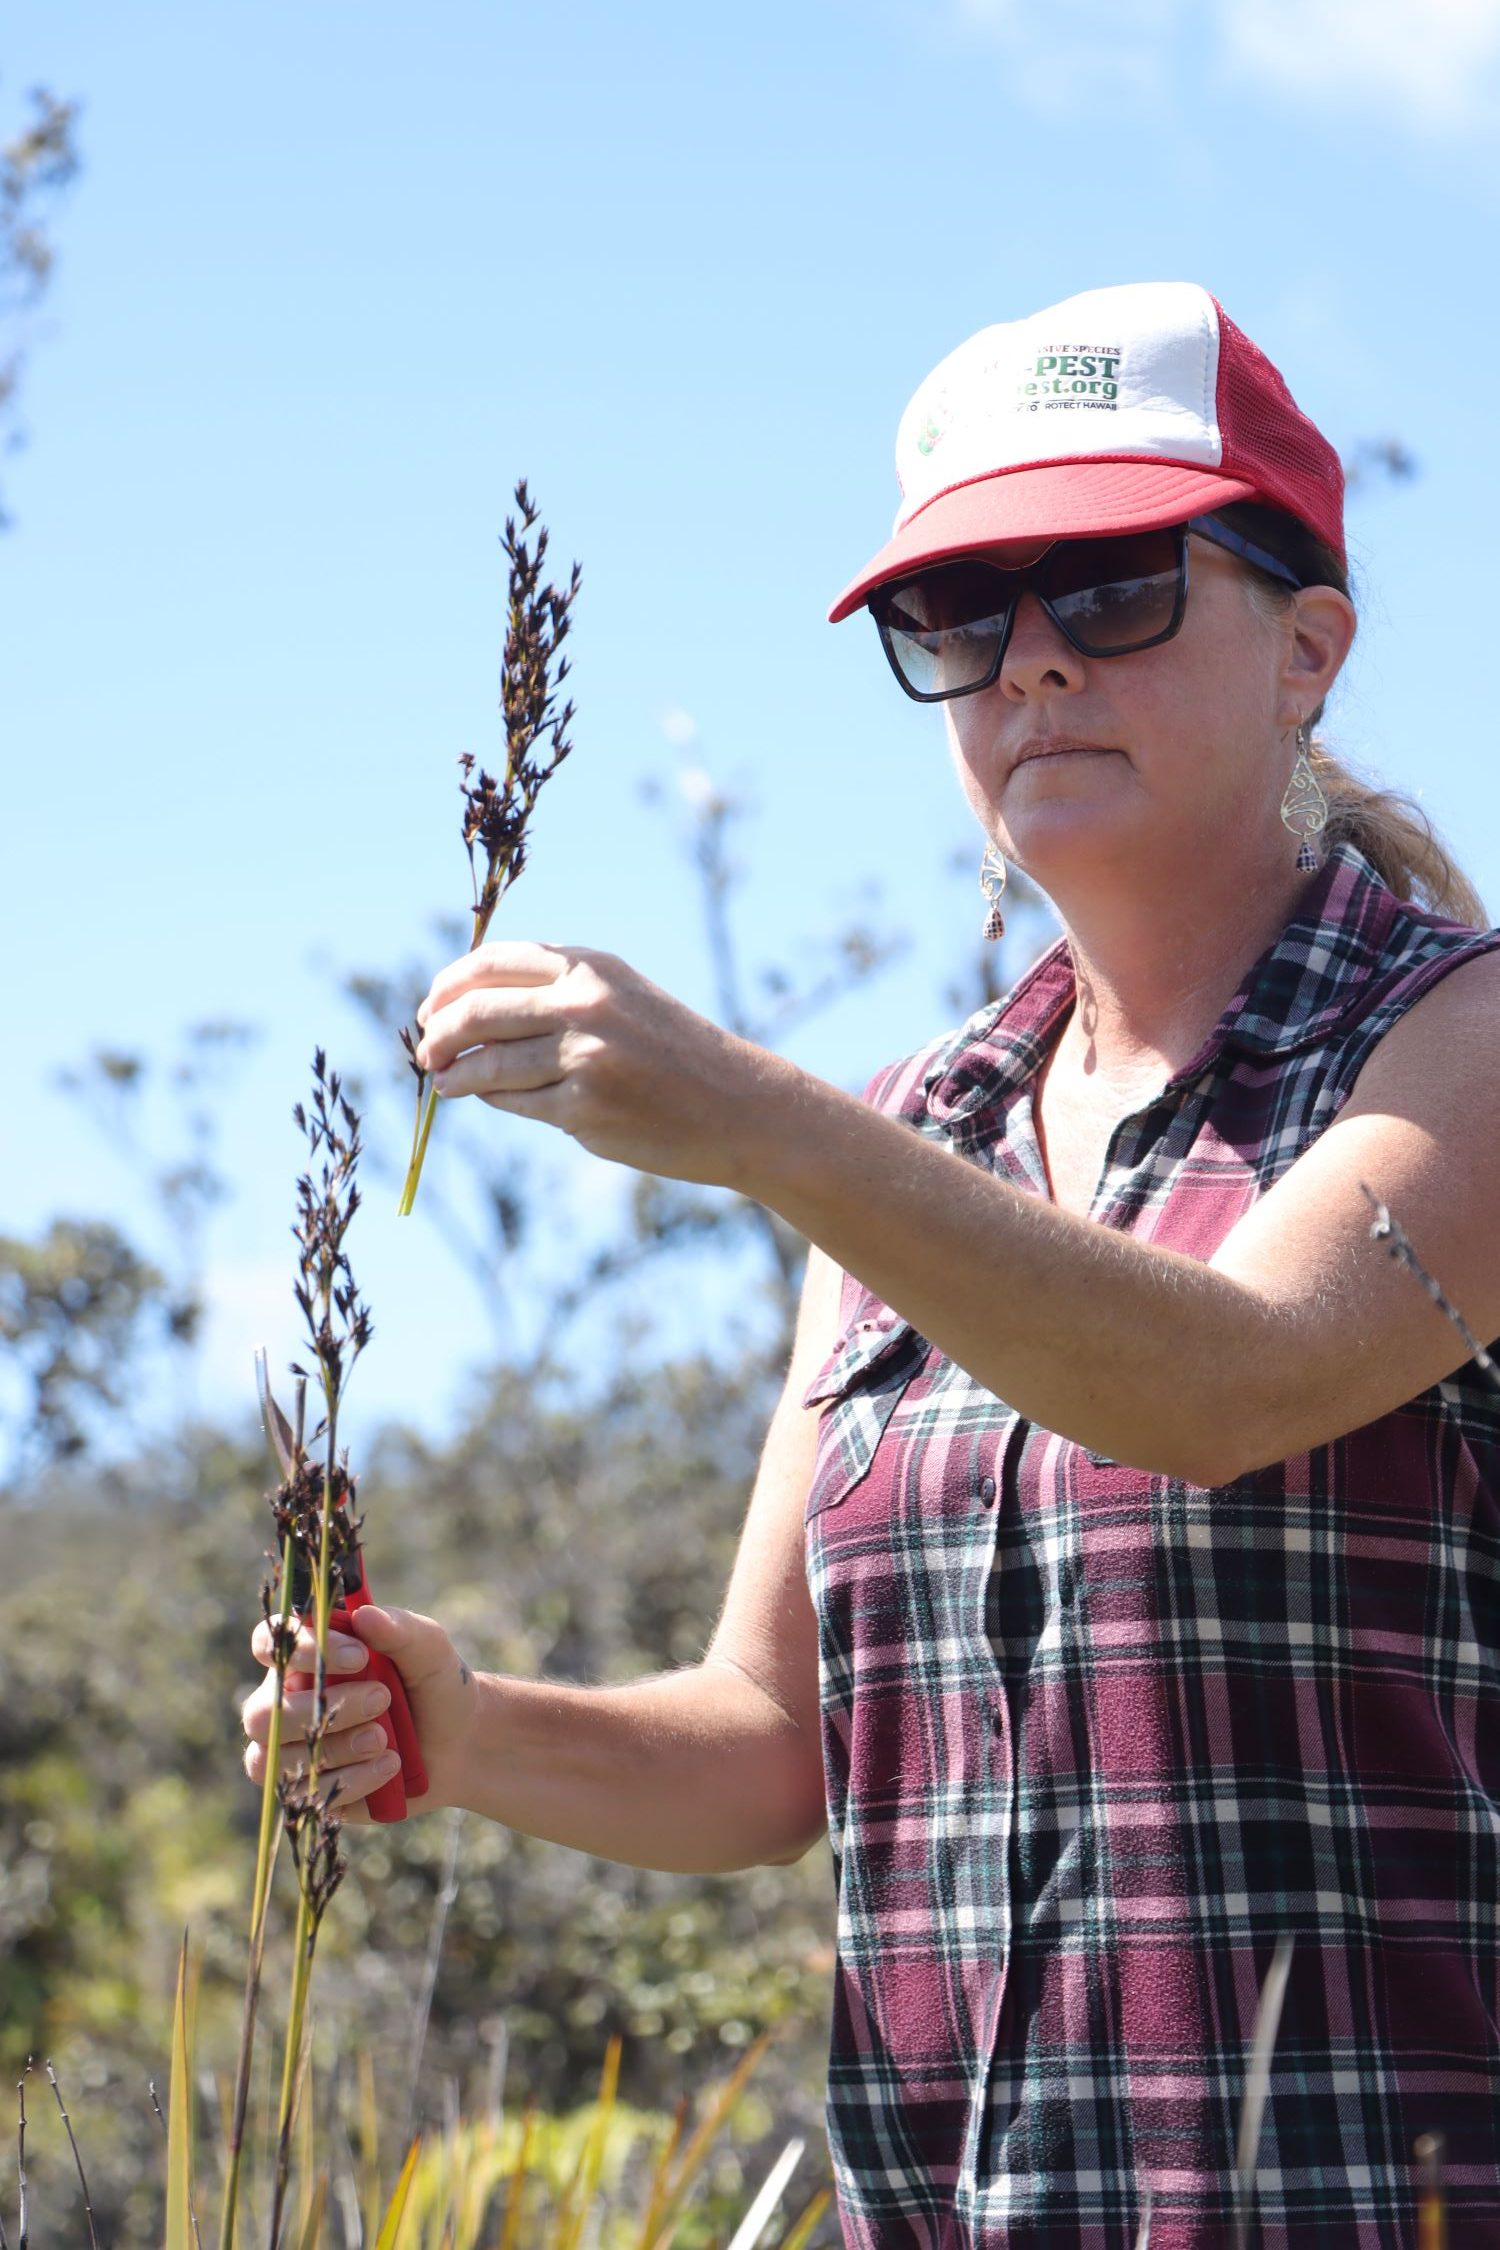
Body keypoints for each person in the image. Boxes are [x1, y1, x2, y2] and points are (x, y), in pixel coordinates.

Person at [243, 281, 1500, 2246]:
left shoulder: (1458, 1042)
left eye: (1111, 589)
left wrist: (759, 1122)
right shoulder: (927, 1133)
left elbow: (1232, 1384)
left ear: (1309, 650)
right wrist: (468, 1731)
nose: (1029, 664)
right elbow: (769, 1749)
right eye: (959, 614)